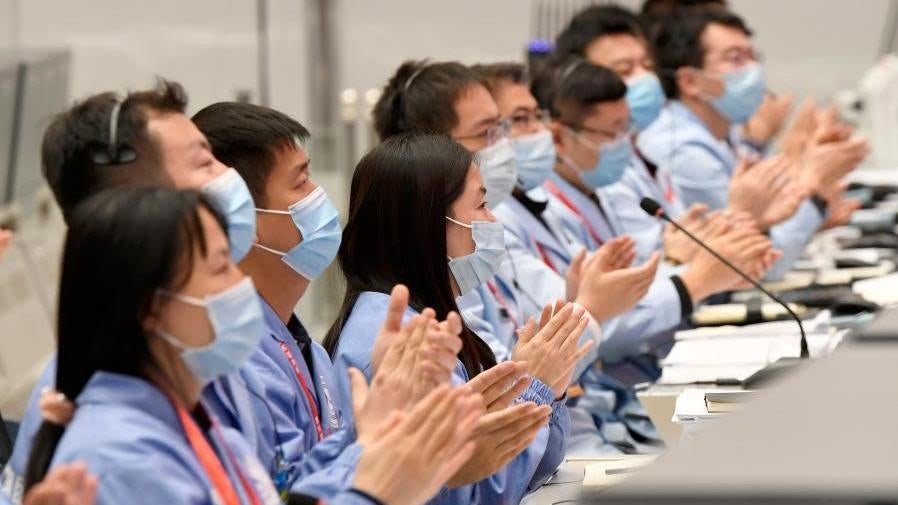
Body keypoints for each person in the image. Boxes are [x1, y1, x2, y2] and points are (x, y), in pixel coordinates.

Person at [23, 187, 484, 505]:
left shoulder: (195, 420)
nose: (240, 284)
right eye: (221, 266)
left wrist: (370, 434)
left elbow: (293, 493)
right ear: (150, 305)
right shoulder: (121, 455)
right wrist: (375, 492)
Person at [2, 80, 261, 501]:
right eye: (205, 164)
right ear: (135, 209)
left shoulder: (196, 351)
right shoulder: (114, 445)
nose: (228, 177)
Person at [192, 102, 463, 498]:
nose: (320, 197)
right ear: (240, 219)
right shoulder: (234, 362)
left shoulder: (303, 348)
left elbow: (320, 474)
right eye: (301, 183)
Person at [325, 133, 587, 503]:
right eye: (480, 206)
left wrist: (547, 388)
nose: (492, 219)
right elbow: (467, 492)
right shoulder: (398, 341)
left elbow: (532, 469)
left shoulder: (430, 314)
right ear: (429, 224)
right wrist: (534, 388)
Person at [530, 56, 778, 384]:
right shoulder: (551, 208)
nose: (624, 142)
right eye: (611, 132)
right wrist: (693, 277)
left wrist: (705, 260)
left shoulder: (601, 186)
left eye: (626, 127)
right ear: (559, 137)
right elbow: (604, 324)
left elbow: (640, 275)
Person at [552, 4, 800, 265]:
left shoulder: (637, 154)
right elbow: (656, 276)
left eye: (646, 65)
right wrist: (744, 215)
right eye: (624, 71)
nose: (644, 78)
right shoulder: (631, 162)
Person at [637, 10, 868, 279]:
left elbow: (769, 220)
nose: (753, 70)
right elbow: (759, 265)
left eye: (753, 57)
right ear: (690, 80)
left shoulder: (724, 132)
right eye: (736, 59)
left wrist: (802, 163)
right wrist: (812, 184)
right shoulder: (683, 151)